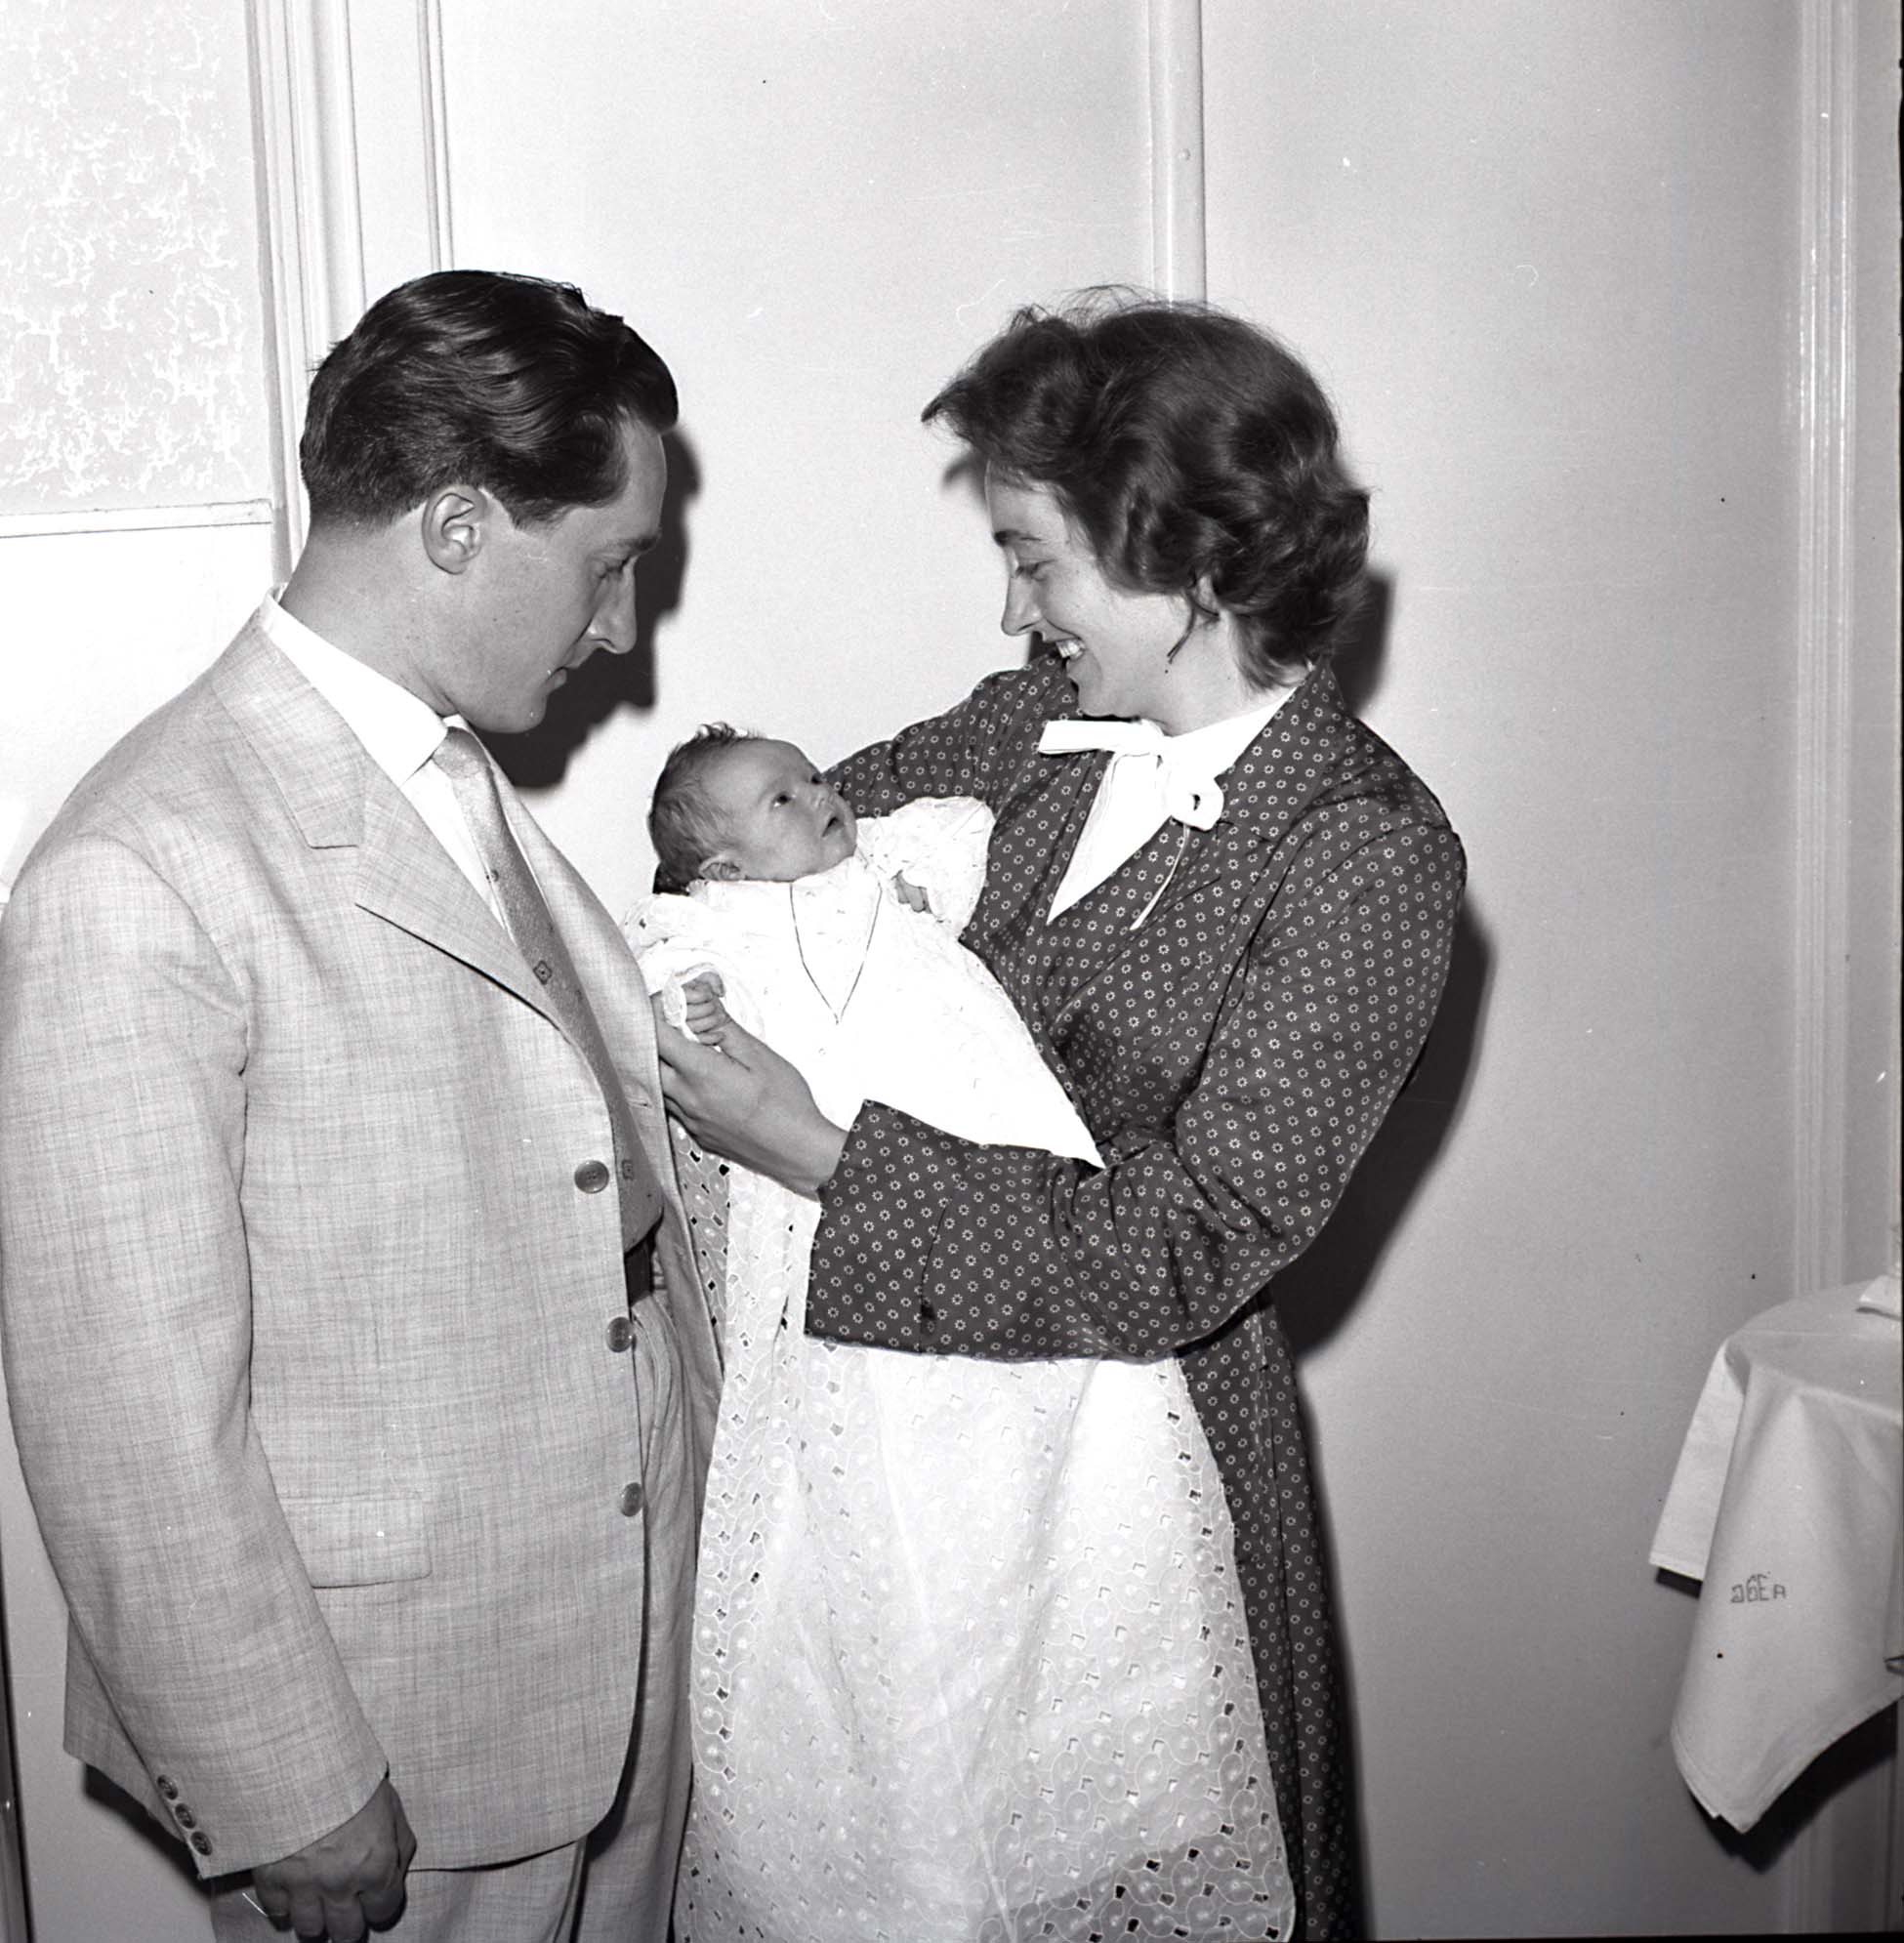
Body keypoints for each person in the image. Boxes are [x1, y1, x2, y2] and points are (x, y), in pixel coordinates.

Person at [653, 292, 1468, 1941]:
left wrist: (815, 1148)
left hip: (1143, 1494)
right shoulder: (1025, 729)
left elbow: (1189, 1244)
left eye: (1035, 558)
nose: (1012, 605)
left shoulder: (1362, 850)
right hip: (893, 1479)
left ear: (1188, 559)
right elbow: (739, 870)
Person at [0, 269, 720, 1943]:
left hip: (610, 1621)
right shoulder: (140, 867)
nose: (623, 629)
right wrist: (281, 1778)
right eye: (607, 566)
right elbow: (122, 1420)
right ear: (460, 526)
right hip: (400, 1716)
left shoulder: (447, 766)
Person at [631, 725, 1284, 1939]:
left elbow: (957, 826)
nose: (823, 797)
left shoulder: (886, 870)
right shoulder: (715, 924)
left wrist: (901, 874)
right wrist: (695, 993)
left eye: (815, 777)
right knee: (871, 1510)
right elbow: (658, 979)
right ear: (718, 869)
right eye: (783, 799)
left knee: (1071, 1470)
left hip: (999, 1172)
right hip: (843, 1216)